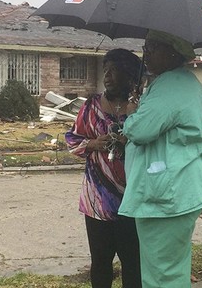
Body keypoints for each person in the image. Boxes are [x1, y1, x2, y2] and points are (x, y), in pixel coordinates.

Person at [118, 30, 202, 288]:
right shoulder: (184, 82)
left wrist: (131, 114)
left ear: (173, 52)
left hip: (166, 194)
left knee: (160, 273)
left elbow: (141, 130)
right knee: (173, 267)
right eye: (145, 46)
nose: (146, 53)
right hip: (180, 186)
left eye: (153, 47)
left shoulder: (171, 85)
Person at [65, 49, 143, 288]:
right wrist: (93, 143)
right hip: (97, 199)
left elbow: (151, 142)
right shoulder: (90, 106)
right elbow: (72, 139)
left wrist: (131, 126)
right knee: (100, 261)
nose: (107, 76)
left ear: (130, 76)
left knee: (133, 262)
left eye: (114, 70)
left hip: (133, 198)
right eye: (105, 70)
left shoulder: (141, 107)